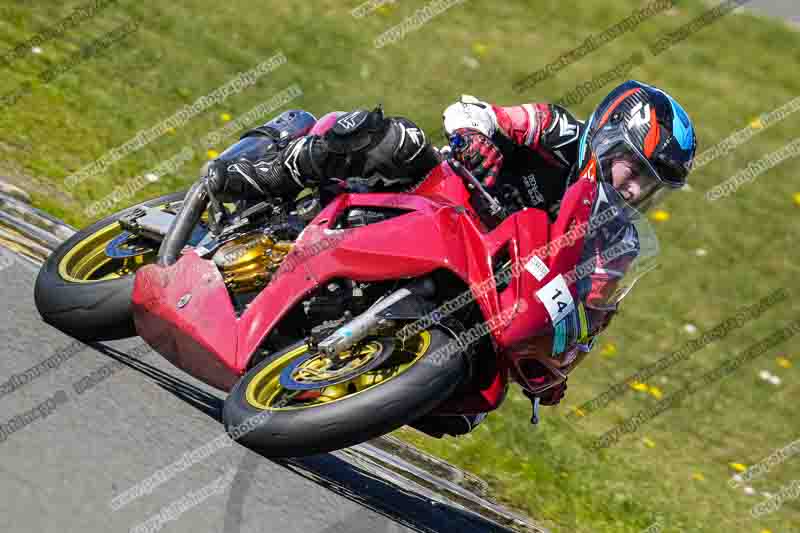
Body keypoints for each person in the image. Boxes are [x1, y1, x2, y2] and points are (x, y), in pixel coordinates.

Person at [206, 80, 697, 436]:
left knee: (469, 407)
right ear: (609, 136)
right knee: (397, 140)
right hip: (439, 197)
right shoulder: (559, 130)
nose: (635, 189)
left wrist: (555, 363)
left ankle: (348, 369)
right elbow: (473, 110)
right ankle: (271, 173)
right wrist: (476, 136)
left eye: (649, 184)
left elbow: (584, 311)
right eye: (635, 169)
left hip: (485, 281)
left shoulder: (617, 241)